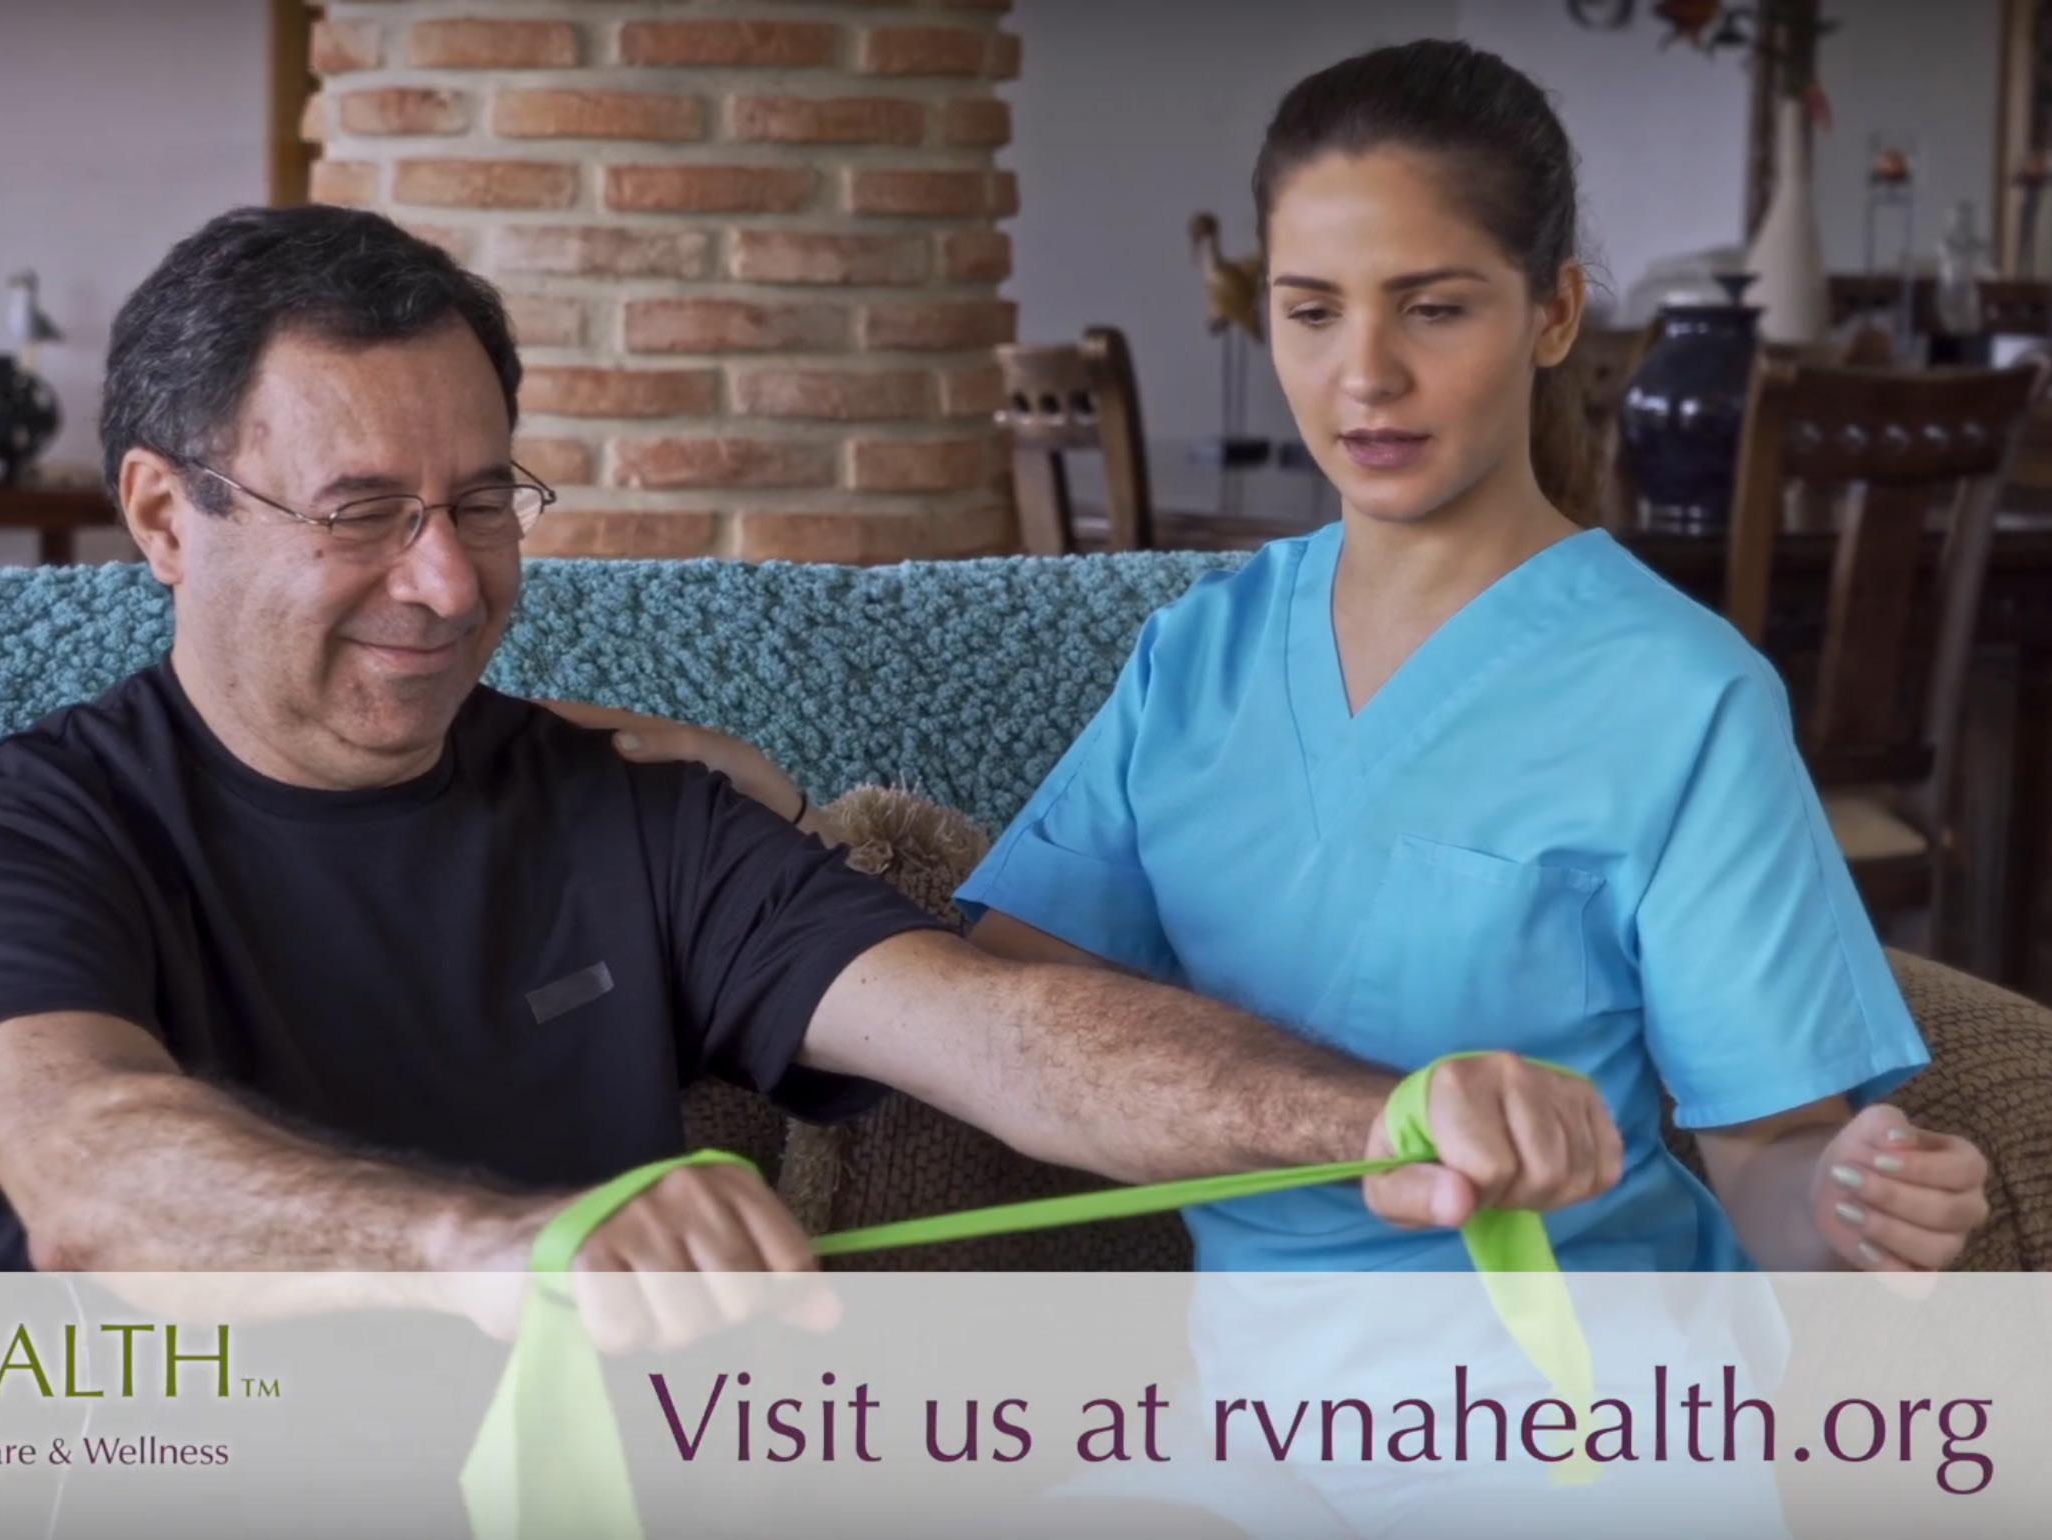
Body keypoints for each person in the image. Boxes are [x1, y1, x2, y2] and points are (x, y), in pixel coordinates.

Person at [0, 204, 1622, 1343]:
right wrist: (487, 1251)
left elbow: (1004, 1034)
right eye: (362, 512)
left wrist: (1382, 1114)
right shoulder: (23, 838)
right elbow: (87, 1167)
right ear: (167, 517)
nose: (448, 583)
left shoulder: (625, 806)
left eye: (482, 502)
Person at [605, 40, 1990, 1276]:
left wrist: (1853, 1200)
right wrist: (780, 827)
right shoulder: (1200, 654)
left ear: (1555, 313)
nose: (1363, 375)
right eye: (1313, 310)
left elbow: (1772, 1166)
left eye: (1433, 308)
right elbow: (1003, 1017)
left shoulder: (1683, 697)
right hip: (1257, 1423)